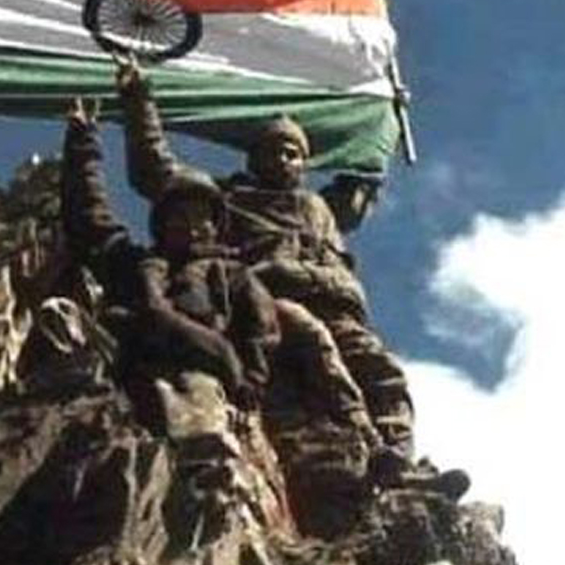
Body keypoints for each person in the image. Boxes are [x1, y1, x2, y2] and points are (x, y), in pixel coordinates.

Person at [114, 63, 425, 483]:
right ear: (253, 158)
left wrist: (383, 122)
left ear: (304, 163)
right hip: (270, 306)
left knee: (382, 372)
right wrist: (139, 100)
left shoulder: (320, 207)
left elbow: (364, 176)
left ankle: (400, 464)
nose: (281, 159)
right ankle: (363, 440)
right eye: (271, 151)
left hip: (339, 306)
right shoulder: (230, 200)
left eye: (291, 153)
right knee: (314, 345)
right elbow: (156, 170)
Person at [61, 97, 382, 451]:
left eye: (201, 219)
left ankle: (368, 440)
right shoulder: (136, 264)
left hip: (202, 379)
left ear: (216, 227)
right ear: (161, 222)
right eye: (179, 216)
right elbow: (91, 217)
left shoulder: (234, 275)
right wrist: (84, 139)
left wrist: (246, 380)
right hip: (132, 370)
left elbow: (262, 329)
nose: (191, 226)